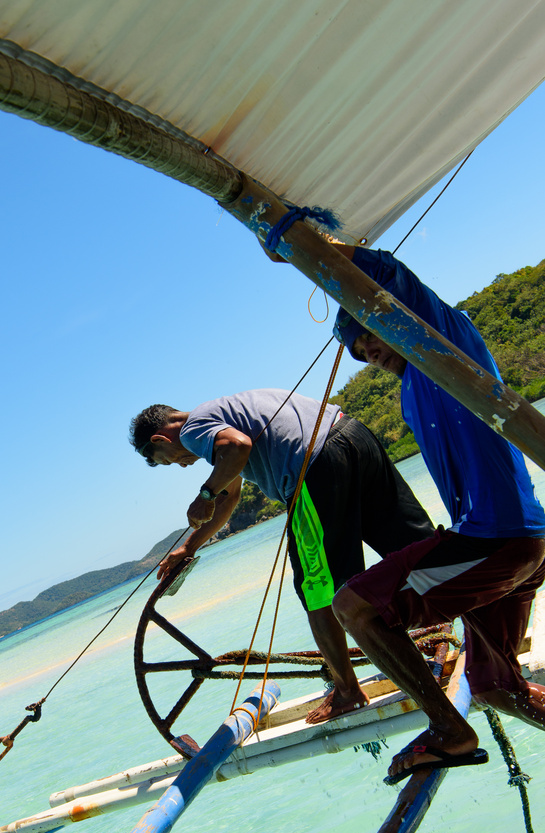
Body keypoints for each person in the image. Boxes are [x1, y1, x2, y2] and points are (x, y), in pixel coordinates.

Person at [329, 246, 545, 782]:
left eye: (370, 334)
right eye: (359, 350)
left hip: (501, 538)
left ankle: (449, 731)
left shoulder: (445, 346)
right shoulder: (410, 394)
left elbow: (385, 274)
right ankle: (469, 717)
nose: (369, 351)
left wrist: (308, 244)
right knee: (495, 687)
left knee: (355, 607)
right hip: (505, 541)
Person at [129, 389, 434, 722]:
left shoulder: (193, 428)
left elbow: (238, 447)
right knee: (416, 549)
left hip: (316, 468)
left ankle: (347, 691)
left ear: (161, 438)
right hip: (353, 436)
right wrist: (190, 545)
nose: (181, 463)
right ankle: (469, 628)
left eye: (167, 459)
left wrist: (205, 493)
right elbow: (230, 498)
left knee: (318, 590)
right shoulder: (222, 412)